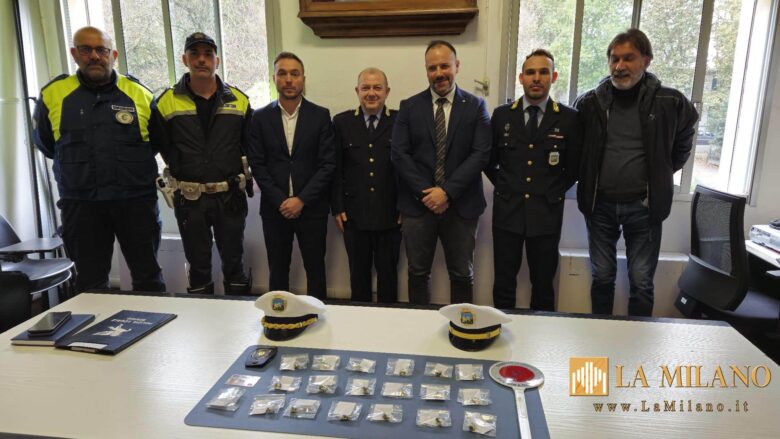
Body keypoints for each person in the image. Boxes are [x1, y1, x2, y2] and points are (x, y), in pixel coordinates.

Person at [574, 28, 698, 316]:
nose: (619, 66)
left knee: (641, 282)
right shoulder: (590, 103)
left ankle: (637, 340)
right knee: (602, 277)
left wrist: (661, 172)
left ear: (646, 60)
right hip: (600, 206)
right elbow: (576, 148)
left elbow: (683, 141)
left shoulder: (670, 102)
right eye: (614, 59)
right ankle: (599, 334)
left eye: (628, 58)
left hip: (644, 207)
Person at [33, 26, 165, 293]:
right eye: (86, 49)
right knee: (90, 283)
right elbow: (47, 145)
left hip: (135, 202)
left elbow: (157, 142)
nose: (94, 56)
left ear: (112, 55)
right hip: (82, 205)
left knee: (148, 277)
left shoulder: (139, 93)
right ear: (74, 53)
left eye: (101, 50)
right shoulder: (54, 95)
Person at [150, 32, 253, 295]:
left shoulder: (239, 100)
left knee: (234, 264)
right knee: (198, 267)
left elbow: (250, 145)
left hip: (229, 196)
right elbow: (162, 146)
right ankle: (201, 318)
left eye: (208, 54)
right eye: (194, 54)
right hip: (190, 199)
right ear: (185, 59)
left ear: (217, 60)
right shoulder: (166, 102)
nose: (201, 60)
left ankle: (238, 315)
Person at [391, 40, 491, 305]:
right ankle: (419, 326)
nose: (439, 73)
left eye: (444, 66)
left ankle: (462, 325)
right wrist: (428, 194)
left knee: (462, 275)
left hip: (462, 206)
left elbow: (480, 154)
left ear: (457, 66)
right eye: (432, 68)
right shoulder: (409, 107)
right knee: (417, 273)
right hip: (417, 206)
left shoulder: (476, 106)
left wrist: (446, 192)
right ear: (426, 71)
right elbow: (399, 154)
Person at [486, 49, 582, 311]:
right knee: (503, 284)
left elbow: (574, 168)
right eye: (530, 72)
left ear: (553, 77)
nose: (536, 78)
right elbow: (488, 160)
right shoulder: (502, 116)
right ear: (521, 78)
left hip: (546, 214)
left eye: (543, 72)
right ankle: (501, 332)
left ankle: (540, 335)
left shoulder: (569, 118)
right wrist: (506, 186)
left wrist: (551, 191)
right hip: (507, 213)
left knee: (543, 285)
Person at [247, 52, 335, 300]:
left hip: (312, 208)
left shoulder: (320, 116)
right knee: (277, 269)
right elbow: (257, 164)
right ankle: (279, 315)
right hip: (274, 209)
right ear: (274, 78)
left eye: (294, 74)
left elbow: (327, 164)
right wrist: (281, 201)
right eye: (282, 73)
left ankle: (317, 316)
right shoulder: (259, 118)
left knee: (315, 270)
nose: (288, 79)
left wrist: (301, 200)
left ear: (303, 79)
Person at [331, 67, 400, 303]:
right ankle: (359, 321)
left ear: (387, 91)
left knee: (388, 276)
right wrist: (337, 207)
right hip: (354, 214)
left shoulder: (399, 121)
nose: (371, 93)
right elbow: (336, 168)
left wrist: (404, 206)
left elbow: (406, 168)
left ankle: (388, 321)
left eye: (377, 88)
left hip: (390, 214)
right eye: (365, 88)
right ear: (357, 91)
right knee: (358, 276)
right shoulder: (342, 122)